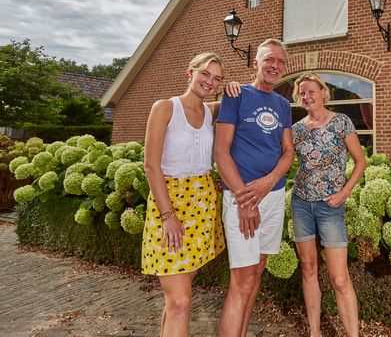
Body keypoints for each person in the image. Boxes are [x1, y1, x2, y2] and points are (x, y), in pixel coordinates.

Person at [141, 52, 236, 337]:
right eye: (205, 74)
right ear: (190, 72)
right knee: (181, 300)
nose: (210, 81)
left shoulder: (212, 111)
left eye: (217, 79)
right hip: (169, 205)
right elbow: (150, 165)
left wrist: (236, 88)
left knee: (177, 300)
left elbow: (243, 99)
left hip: (203, 204)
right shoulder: (165, 108)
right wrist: (168, 216)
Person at [214, 39, 295, 337]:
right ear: (256, 63)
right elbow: (221, 152)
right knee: (242, 280)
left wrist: (270, 180)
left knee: (257, 272)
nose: (275, 66)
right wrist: (245, 200)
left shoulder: (283, 104)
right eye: (269, 59)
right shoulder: (236, 96)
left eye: (281, 62)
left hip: (272, 197)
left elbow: (288, 151)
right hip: (242, 198)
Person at [290, 72, 366, 337]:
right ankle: (315, 332)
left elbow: (360, 161)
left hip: (330, 207)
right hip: (300, 203)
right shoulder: (297, 129)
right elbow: (283, 161)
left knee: (339, 277)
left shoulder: (341, 122)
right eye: (302, 92)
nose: (306, 96)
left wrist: (344, 193)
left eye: (311, 91)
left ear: (323, 93)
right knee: (308, 269)